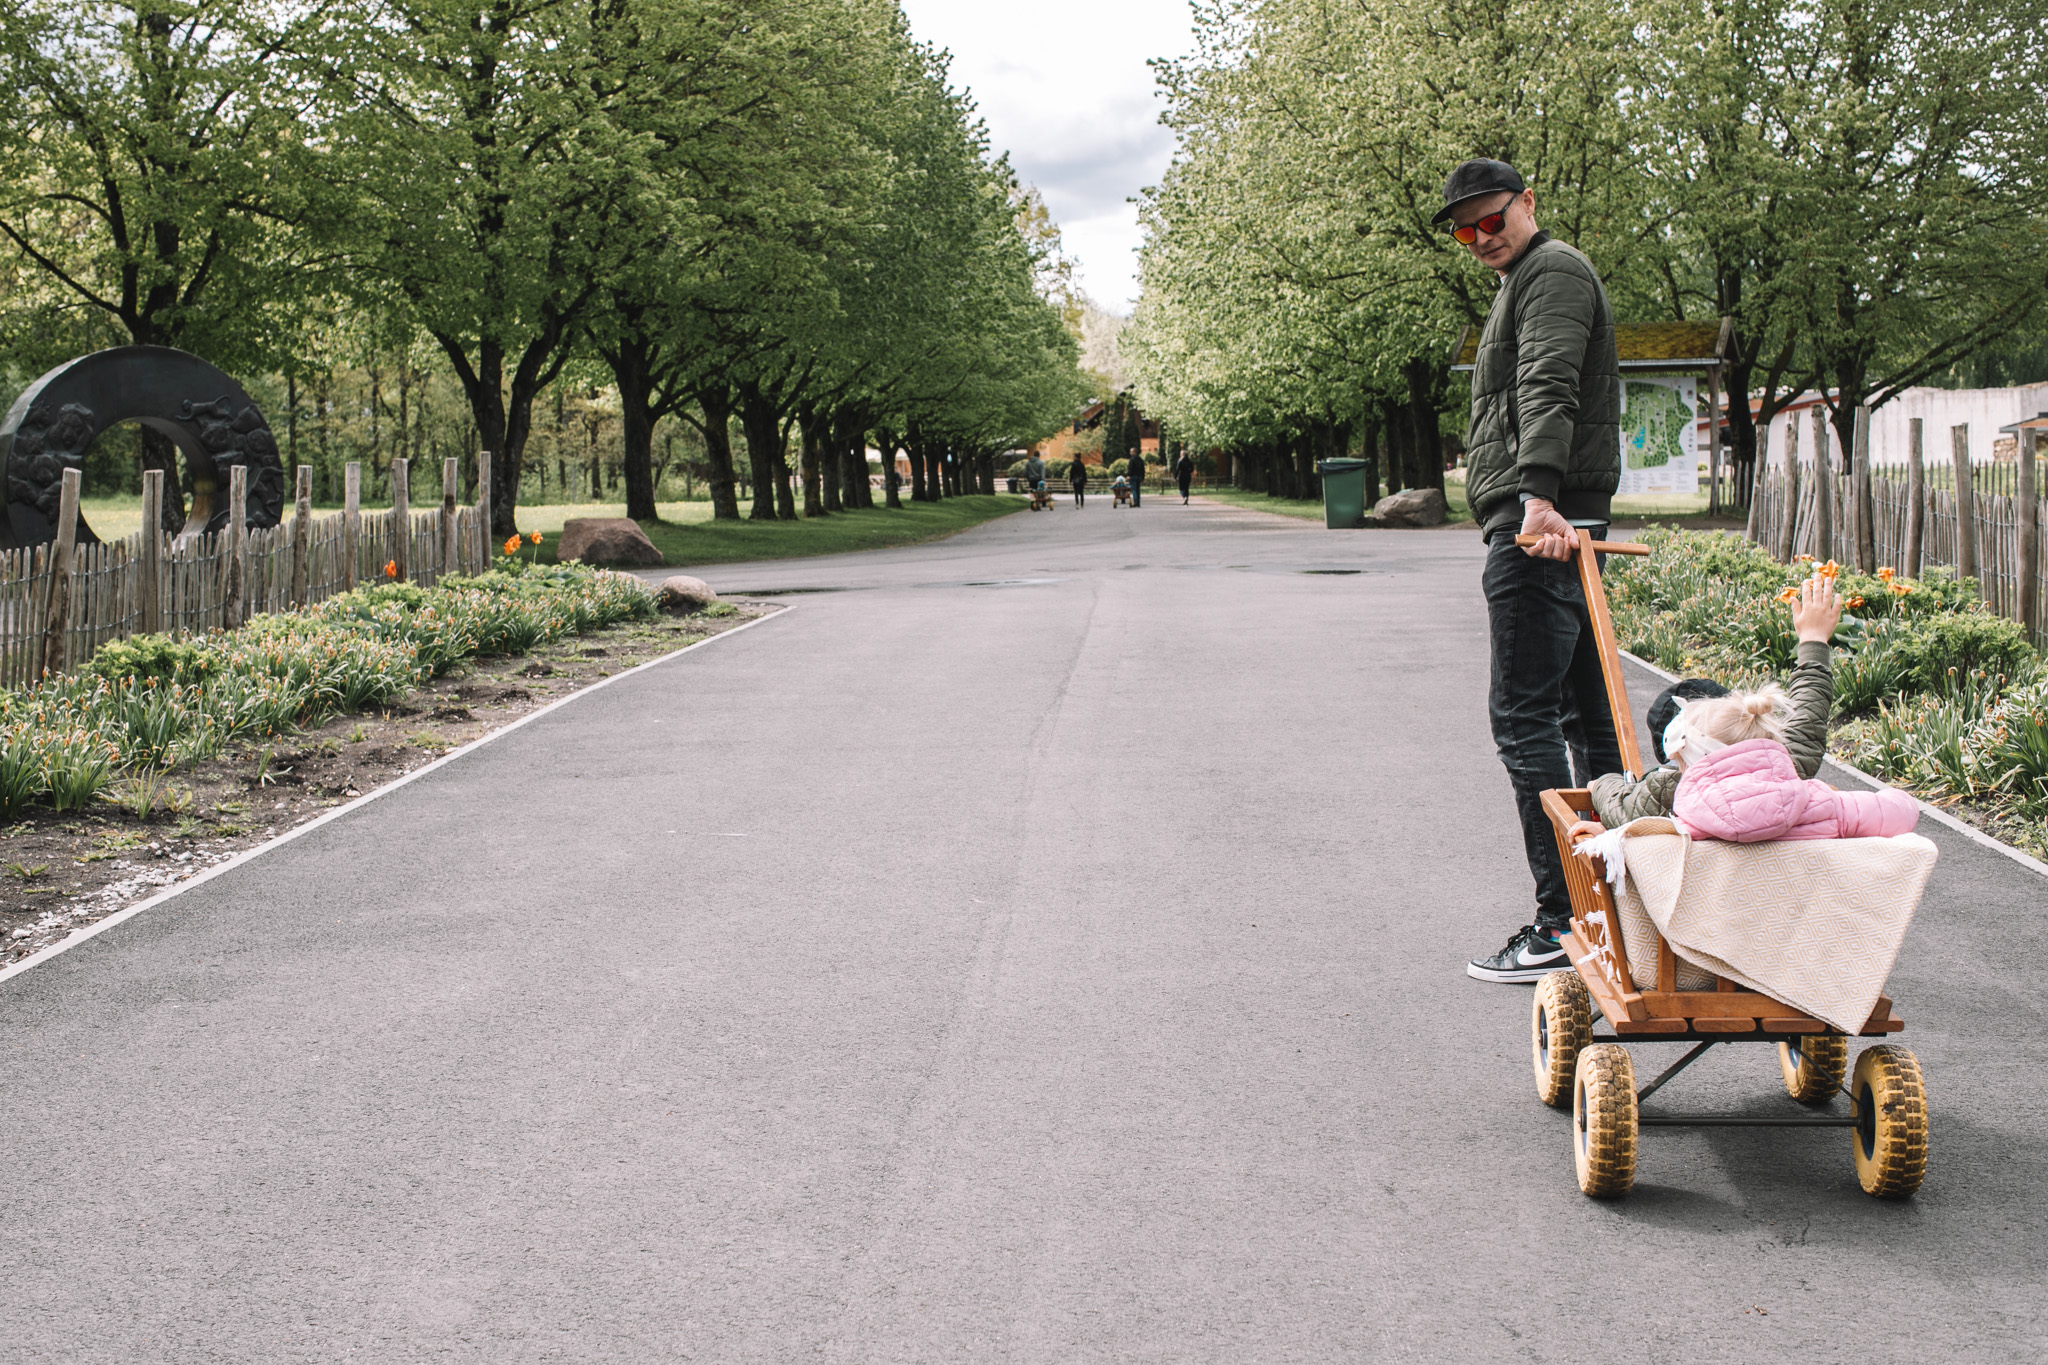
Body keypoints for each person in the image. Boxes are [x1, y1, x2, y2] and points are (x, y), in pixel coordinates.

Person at [1443, 158, 1625, 985]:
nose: (1482, 237)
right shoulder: (1525, 278)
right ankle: (1621, 907)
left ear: (1527, 204)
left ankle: (1564, 919)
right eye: (1466, 229)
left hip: (1539, 527)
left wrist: (1537, 499)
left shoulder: (1549, 271)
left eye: (1493, 218)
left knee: (1523, 719)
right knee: (1590, 720)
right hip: (1553, 518)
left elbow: (1547, 383)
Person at [1583, 576, 1839, 829]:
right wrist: (1813, 638)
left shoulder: (1667, 794)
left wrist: (1602, 784)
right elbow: (1808, 711)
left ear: (1676, 752)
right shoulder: (1785, 768)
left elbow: (1619, 806)